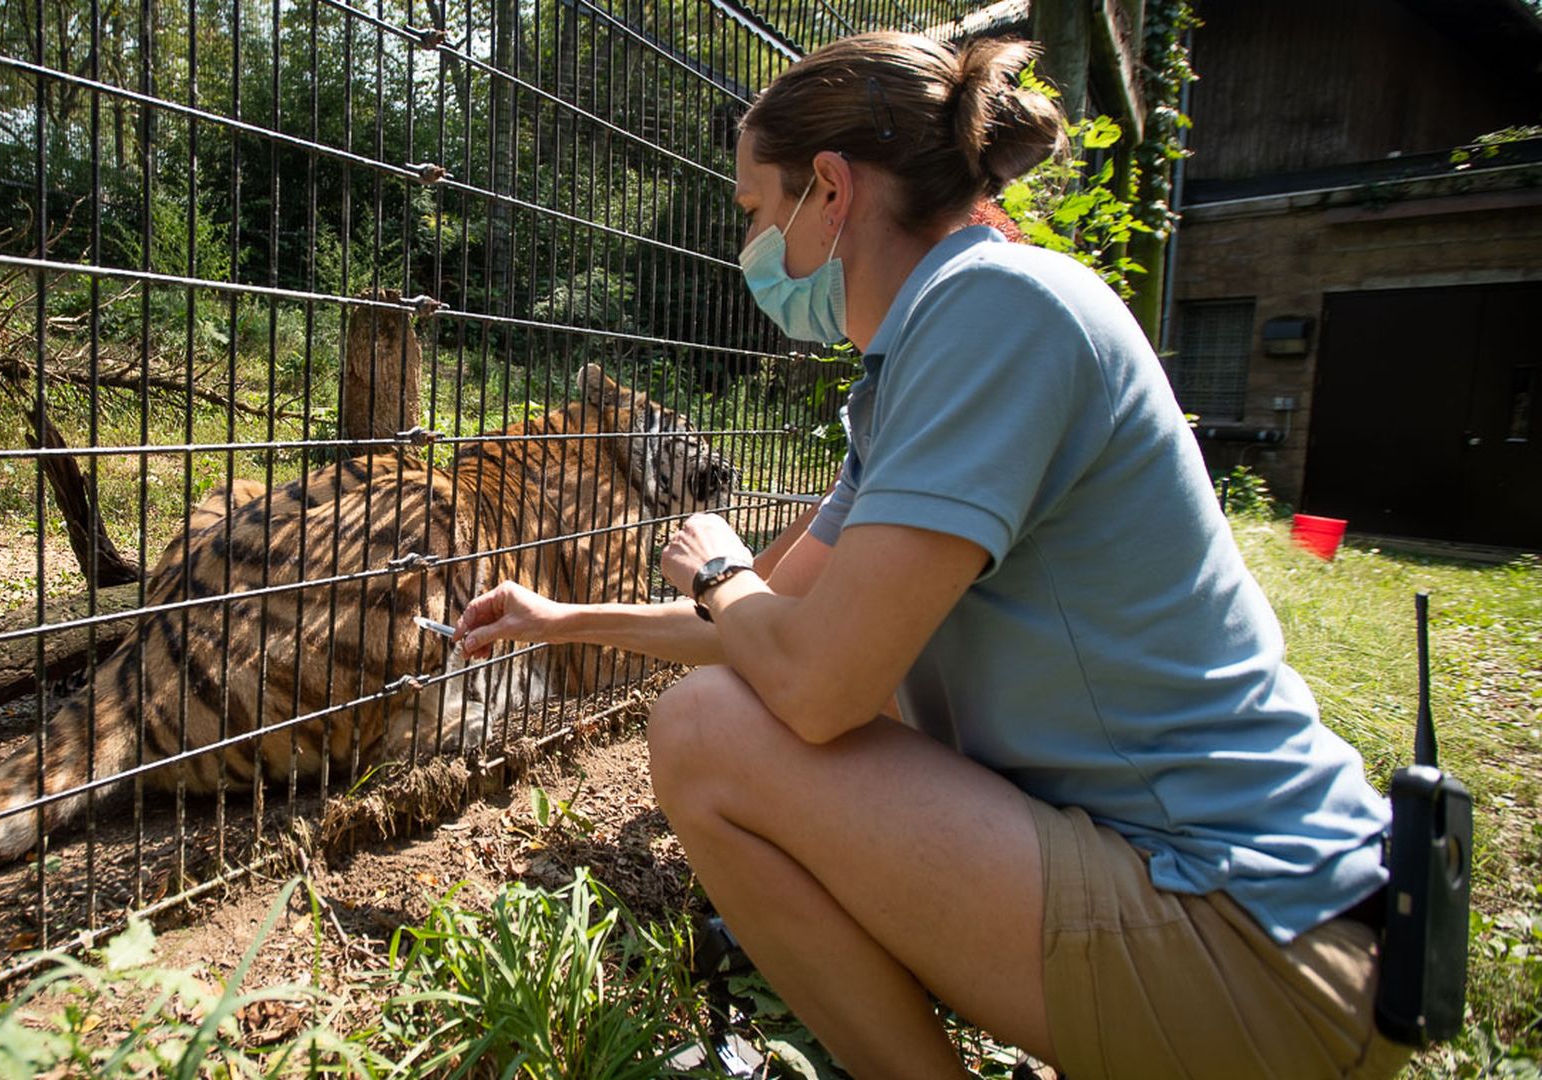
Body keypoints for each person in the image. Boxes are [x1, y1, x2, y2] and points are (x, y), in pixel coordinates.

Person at [453, 30, 1411, 1080]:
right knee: (763, 697)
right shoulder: (929, 359)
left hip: (1256, 950)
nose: (754, 249)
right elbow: (779, 616)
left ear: (829, 191)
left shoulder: (997, 316)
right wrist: (562, 619)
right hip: (1219, 916)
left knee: (709, 733)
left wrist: (722, 571)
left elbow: (805, 674)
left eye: (753, 213)